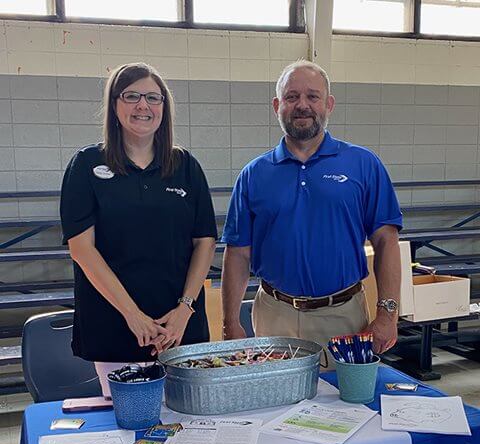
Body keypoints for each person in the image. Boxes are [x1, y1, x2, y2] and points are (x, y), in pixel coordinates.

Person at [221, 60, 402, 363]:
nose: (302, 105)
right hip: (273, 316)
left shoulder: (363, 164)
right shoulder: (254, 174)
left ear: (328, 104)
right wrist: (230, 323)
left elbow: (386, 241)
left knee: (346, 408)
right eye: (292, 97)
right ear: (277, 105)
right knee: (273, 405)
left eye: (312, 96)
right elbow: (238, 253)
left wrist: (387, 314)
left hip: (343, 316)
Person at [60, 62, 217, 396]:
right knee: (125, 431)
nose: (142, 105)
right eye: (131, 96)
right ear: (115, 105)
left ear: (164, 107)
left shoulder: (185, 166)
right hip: (115, 326)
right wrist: (133, 315)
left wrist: (184, 309)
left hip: (179, 328)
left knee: (185, 426)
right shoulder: (87, 165)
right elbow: (82, 249)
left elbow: (205, 241)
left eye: (153, 98)